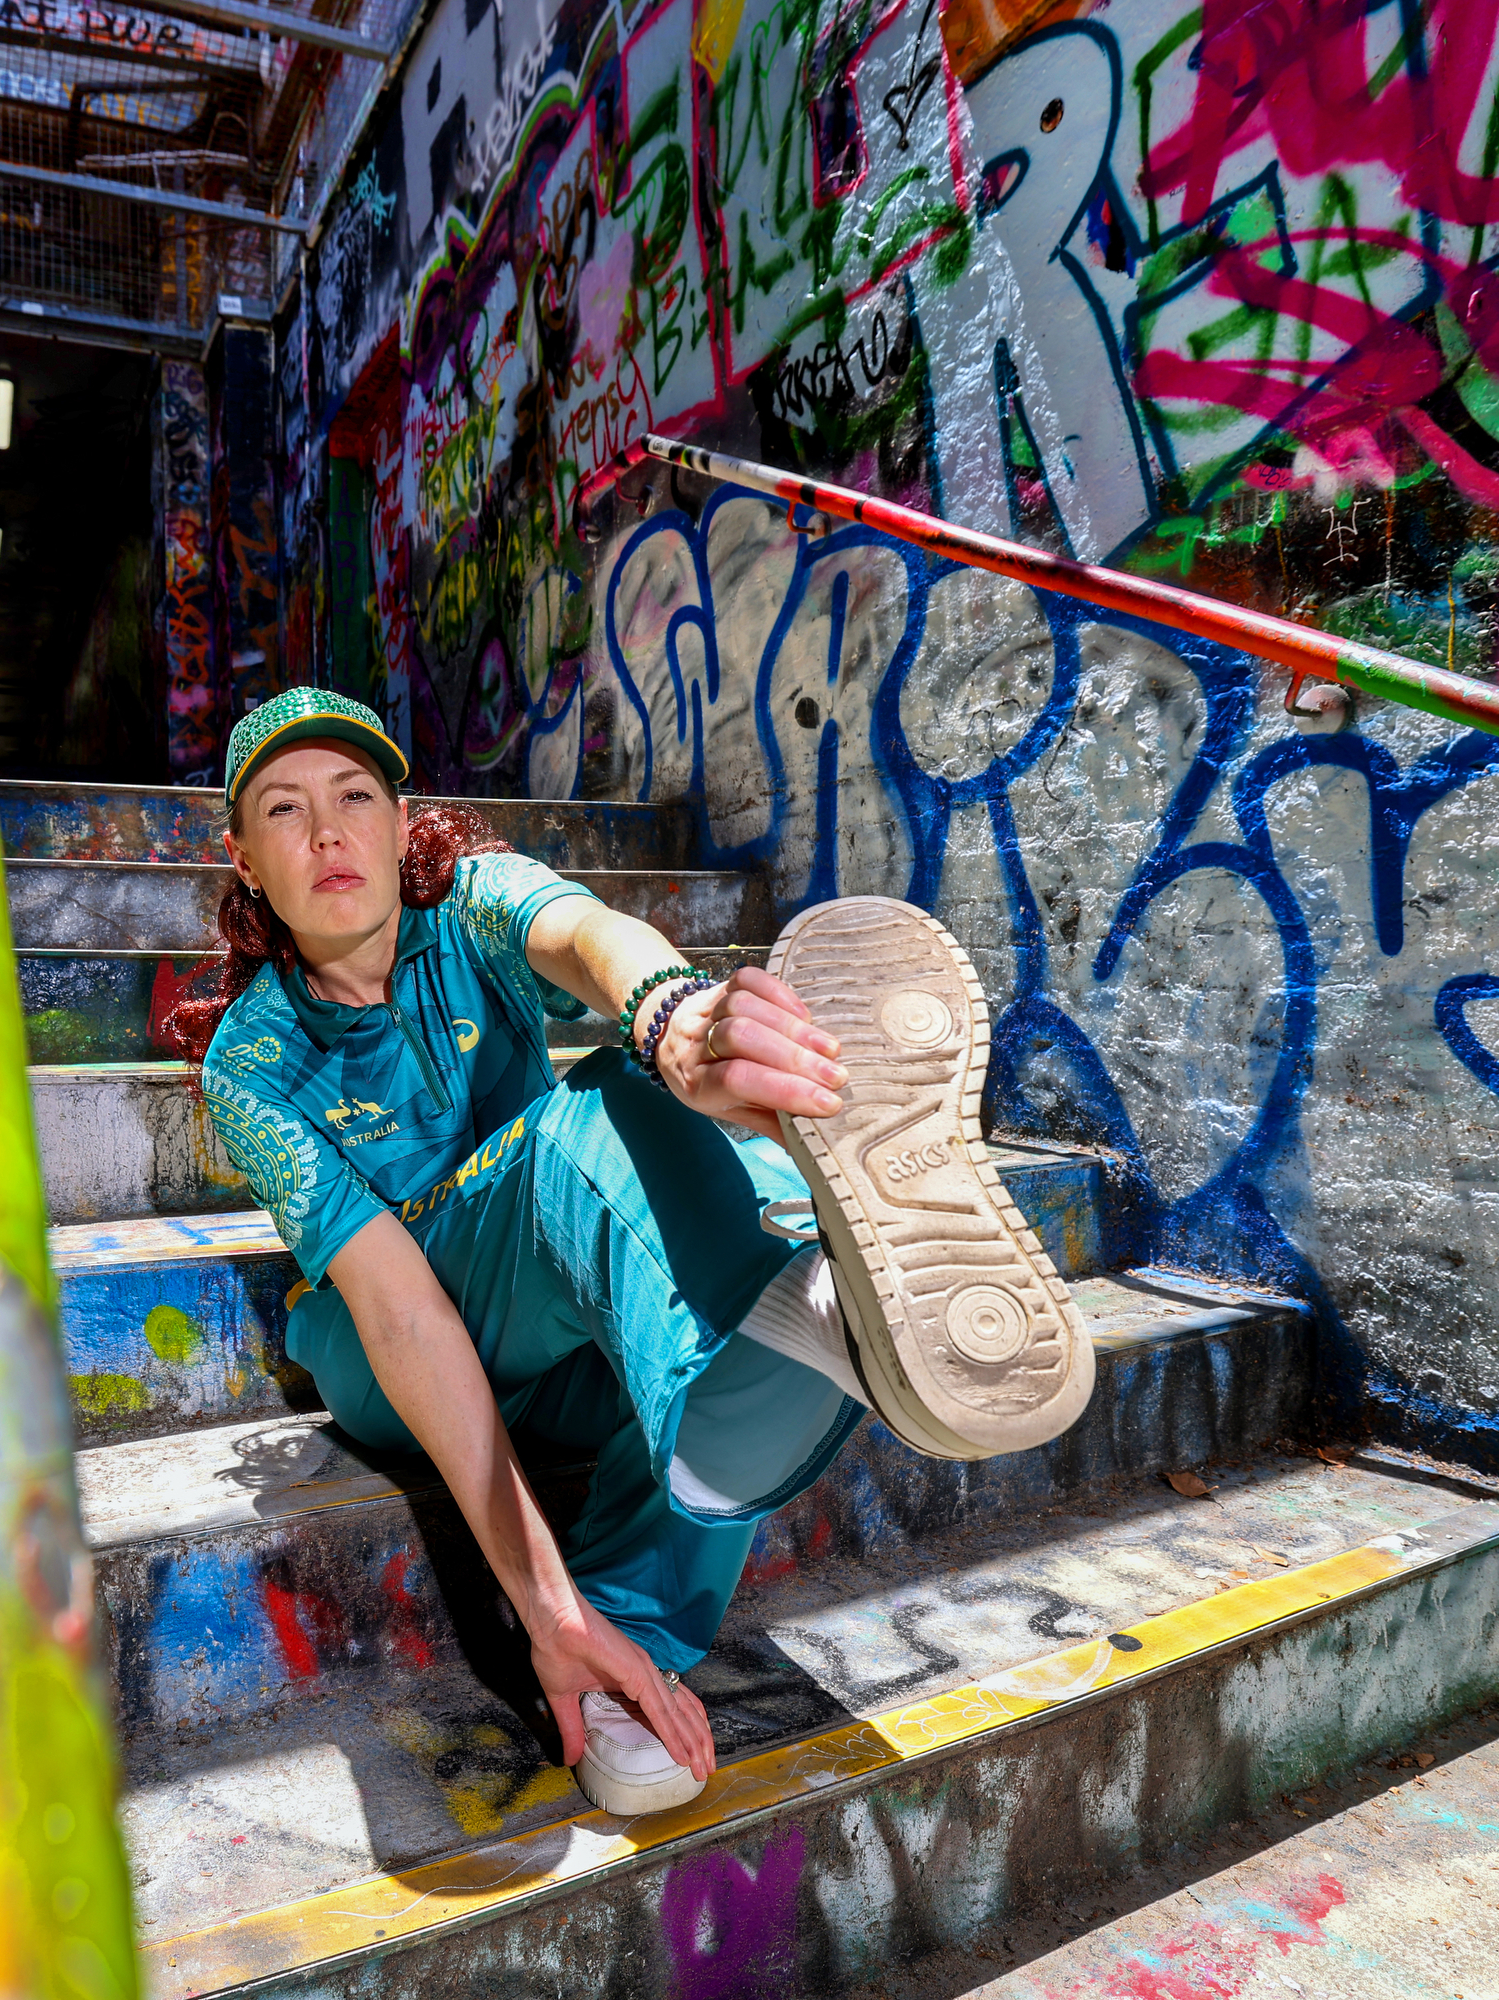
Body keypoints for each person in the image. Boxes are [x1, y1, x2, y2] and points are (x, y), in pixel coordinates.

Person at [176, 688, 1092, 1818]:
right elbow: (402, 1312)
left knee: (662, 1112)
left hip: (558, 1301)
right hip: (389, 1354)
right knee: (600, 1117)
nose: (327, 831)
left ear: (401, 819)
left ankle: (640, 1627)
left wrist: (674, 1018)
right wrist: (542, 1608)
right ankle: (795, 1298)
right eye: (284, 808)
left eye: (355, 795)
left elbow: (584, 934)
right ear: (246, 860)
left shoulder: (467, 901)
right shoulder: (248, 1062)